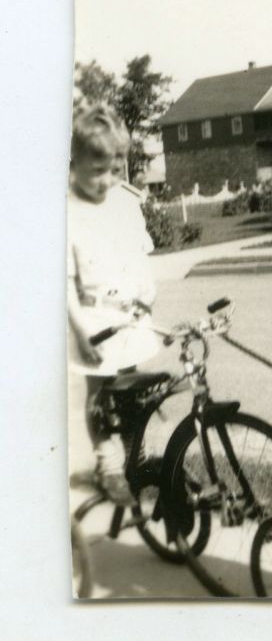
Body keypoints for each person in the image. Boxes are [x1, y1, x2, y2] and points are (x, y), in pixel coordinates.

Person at [68, 104, 159, 504]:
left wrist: (147, 296)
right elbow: (63, 282)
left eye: (114, 170)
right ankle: (108, 462)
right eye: (95, 172)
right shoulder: (66, 212)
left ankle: (135, 456)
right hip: (91, 317)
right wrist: (80, 330)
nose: (106, 181)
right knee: (101, 395)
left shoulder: (124, 204)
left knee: (135, 392)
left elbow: (139, 258)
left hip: (129, 315)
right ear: (73, 163)